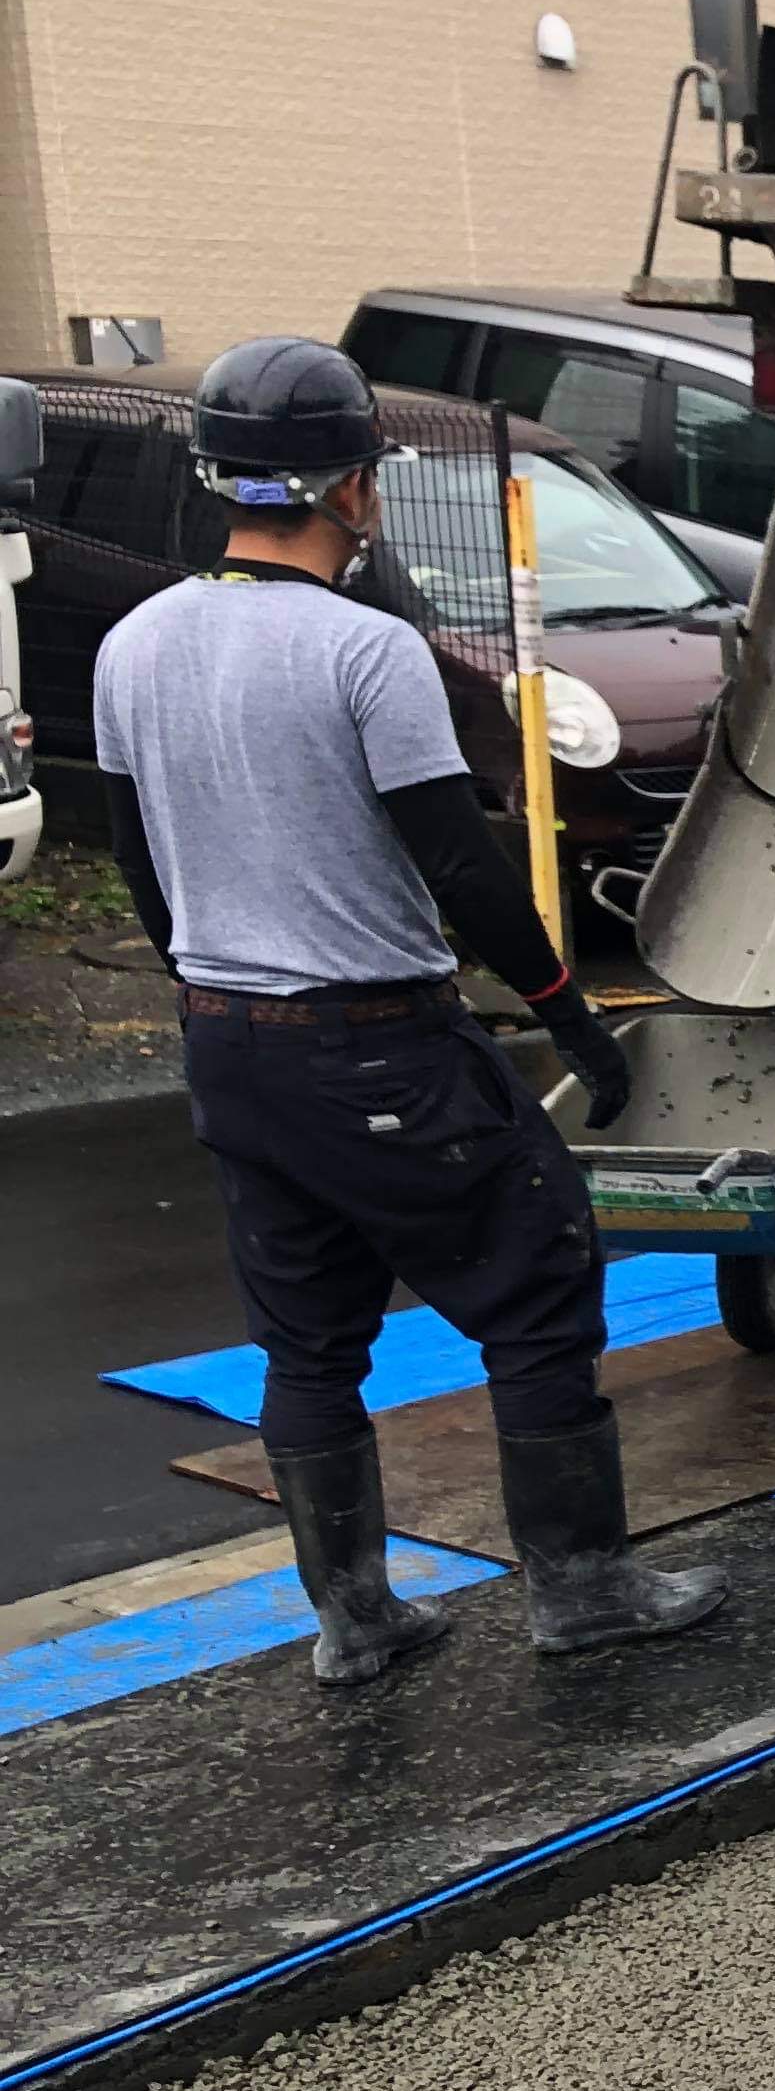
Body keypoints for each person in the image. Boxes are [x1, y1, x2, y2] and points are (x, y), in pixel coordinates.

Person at [93, 339, 726, 1685]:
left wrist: (208, 984)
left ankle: (355, 1622)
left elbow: (140, 858)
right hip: (374, 1039)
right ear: (350, 488)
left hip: (231, 1043)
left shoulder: (132, 645)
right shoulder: (368, 652)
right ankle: (582, 1590)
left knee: (308, 1335)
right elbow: (459, 864)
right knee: (539, 1279)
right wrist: (568, 1013)